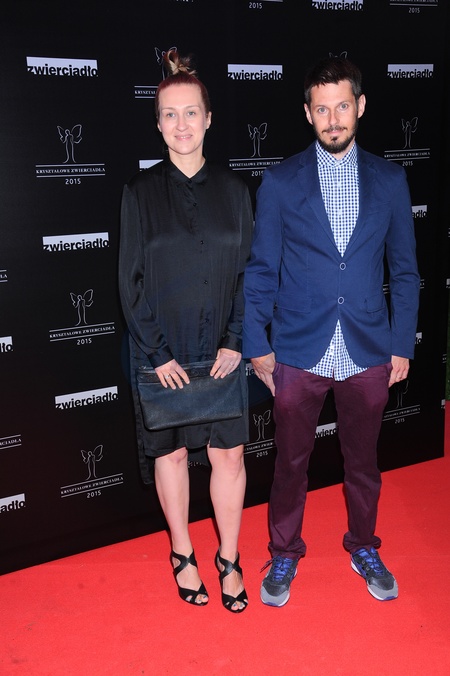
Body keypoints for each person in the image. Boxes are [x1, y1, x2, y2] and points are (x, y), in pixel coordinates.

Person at [243, 56, 420, 606]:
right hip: (298, 350)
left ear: (360, 106)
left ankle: (364, 544)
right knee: (290, 464)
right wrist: (257, 344)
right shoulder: (279, 182)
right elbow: (262, 269)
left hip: (368, 349)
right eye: (322, 109)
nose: (333, 118)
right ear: (307, 113)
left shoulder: (391, 180)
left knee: (363, 465)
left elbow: (405, 271)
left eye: (342, 106)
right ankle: (284, 551)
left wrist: (401, 344)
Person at [119, 50, 253, 613]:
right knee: (171, 457)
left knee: (230, 457)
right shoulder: (139, 193)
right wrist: (156, 353)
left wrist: (236, 339)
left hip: (222, 352)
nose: (181, 124)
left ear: (208, 118)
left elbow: (249, 274)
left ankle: (229, 557)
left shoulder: (236, 191)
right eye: (169, 114)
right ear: (157, 123)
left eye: (191, 112)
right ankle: (181, 551)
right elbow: (129, 282)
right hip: (163, 356)